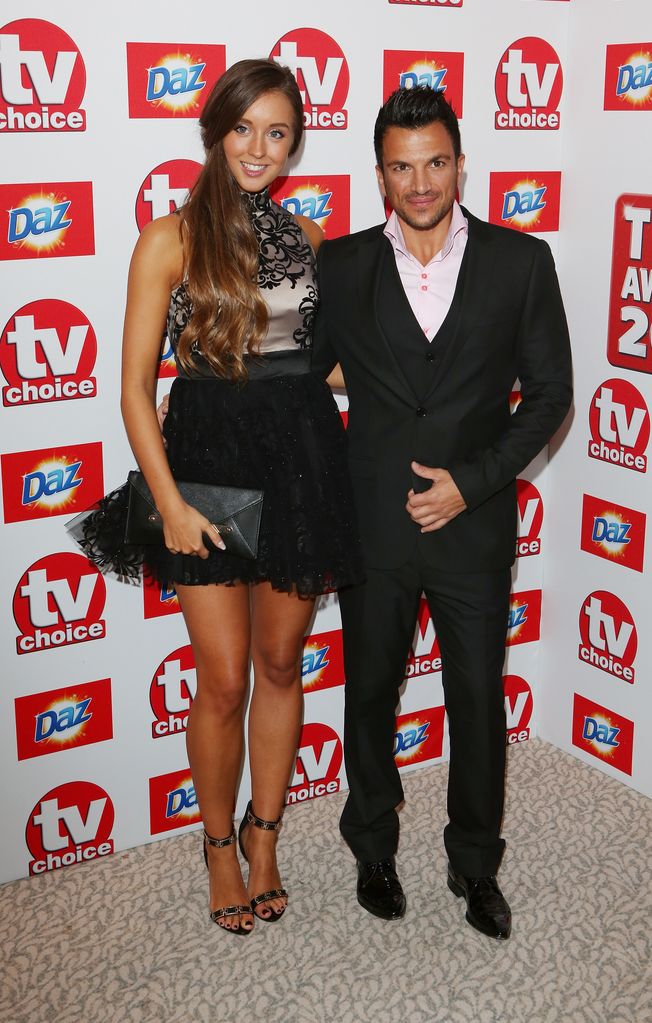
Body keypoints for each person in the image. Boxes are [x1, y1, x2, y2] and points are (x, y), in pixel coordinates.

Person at [76, 59, 363, 935]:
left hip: (301, 461)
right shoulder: (167, 239)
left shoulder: (309, 239)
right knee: (225, 679)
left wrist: (431, 380)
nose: (260, 149)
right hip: (203, 469)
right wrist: (166, 502)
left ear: (295, 144)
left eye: (278, 133)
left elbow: (324, 367)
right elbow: (132, 386)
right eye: (245, 129)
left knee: (282, 665)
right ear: (215, 131)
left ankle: (265, 836)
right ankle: (215, 844)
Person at [313, 86, 572, 939]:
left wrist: (473, 478)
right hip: (375, 528)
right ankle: (373, 846)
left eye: (434, 162)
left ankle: (473, 865)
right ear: (379, 173)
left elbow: (549, 398)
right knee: (371, 694)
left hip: (475, 523)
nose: (419, 182)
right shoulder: (342, 266)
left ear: (461, 163)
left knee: (475, 699)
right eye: (400, 165)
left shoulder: (521, 261)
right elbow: (303, 380)